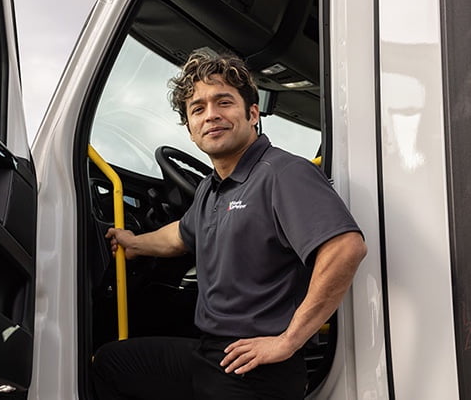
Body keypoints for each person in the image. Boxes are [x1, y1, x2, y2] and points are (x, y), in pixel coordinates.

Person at [92, 51, 367, 399]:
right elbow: (179, 235)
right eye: (198, 109)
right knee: (112, 364)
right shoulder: (211, 187)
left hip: (256, 370)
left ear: (252, 114)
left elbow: (345, 248)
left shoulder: (282, 173)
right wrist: (134, 242)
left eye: (224, 102)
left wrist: (287, 341)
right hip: (210, 355)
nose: (211, 115)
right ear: (190, 130)